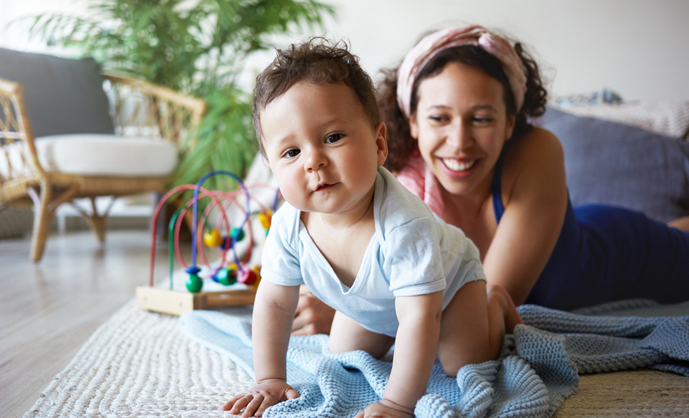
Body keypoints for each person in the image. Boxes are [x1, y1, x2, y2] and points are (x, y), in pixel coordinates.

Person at [292, 24, 689, 336]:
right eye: (438, 118)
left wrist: (359, 310)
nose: (460, 142)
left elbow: (474, 312)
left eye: (481, 118)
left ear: (509, 122)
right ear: (412, 121)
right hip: (574, 223)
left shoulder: (539, 151)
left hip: (619, 249)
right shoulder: (394, 186)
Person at [222, 38, 522, 418]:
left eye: (333, 138)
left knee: (462, 359)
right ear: (271, 167)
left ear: (379, 144)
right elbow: (274, 302)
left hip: (449, 290)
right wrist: (269, 378)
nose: (313, 162)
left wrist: (397, 403)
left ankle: (492, 303)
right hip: (379, 304)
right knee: (343, 353)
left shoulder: (403, 224)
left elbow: (420, 316)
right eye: (291, 152)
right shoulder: (288, 226)